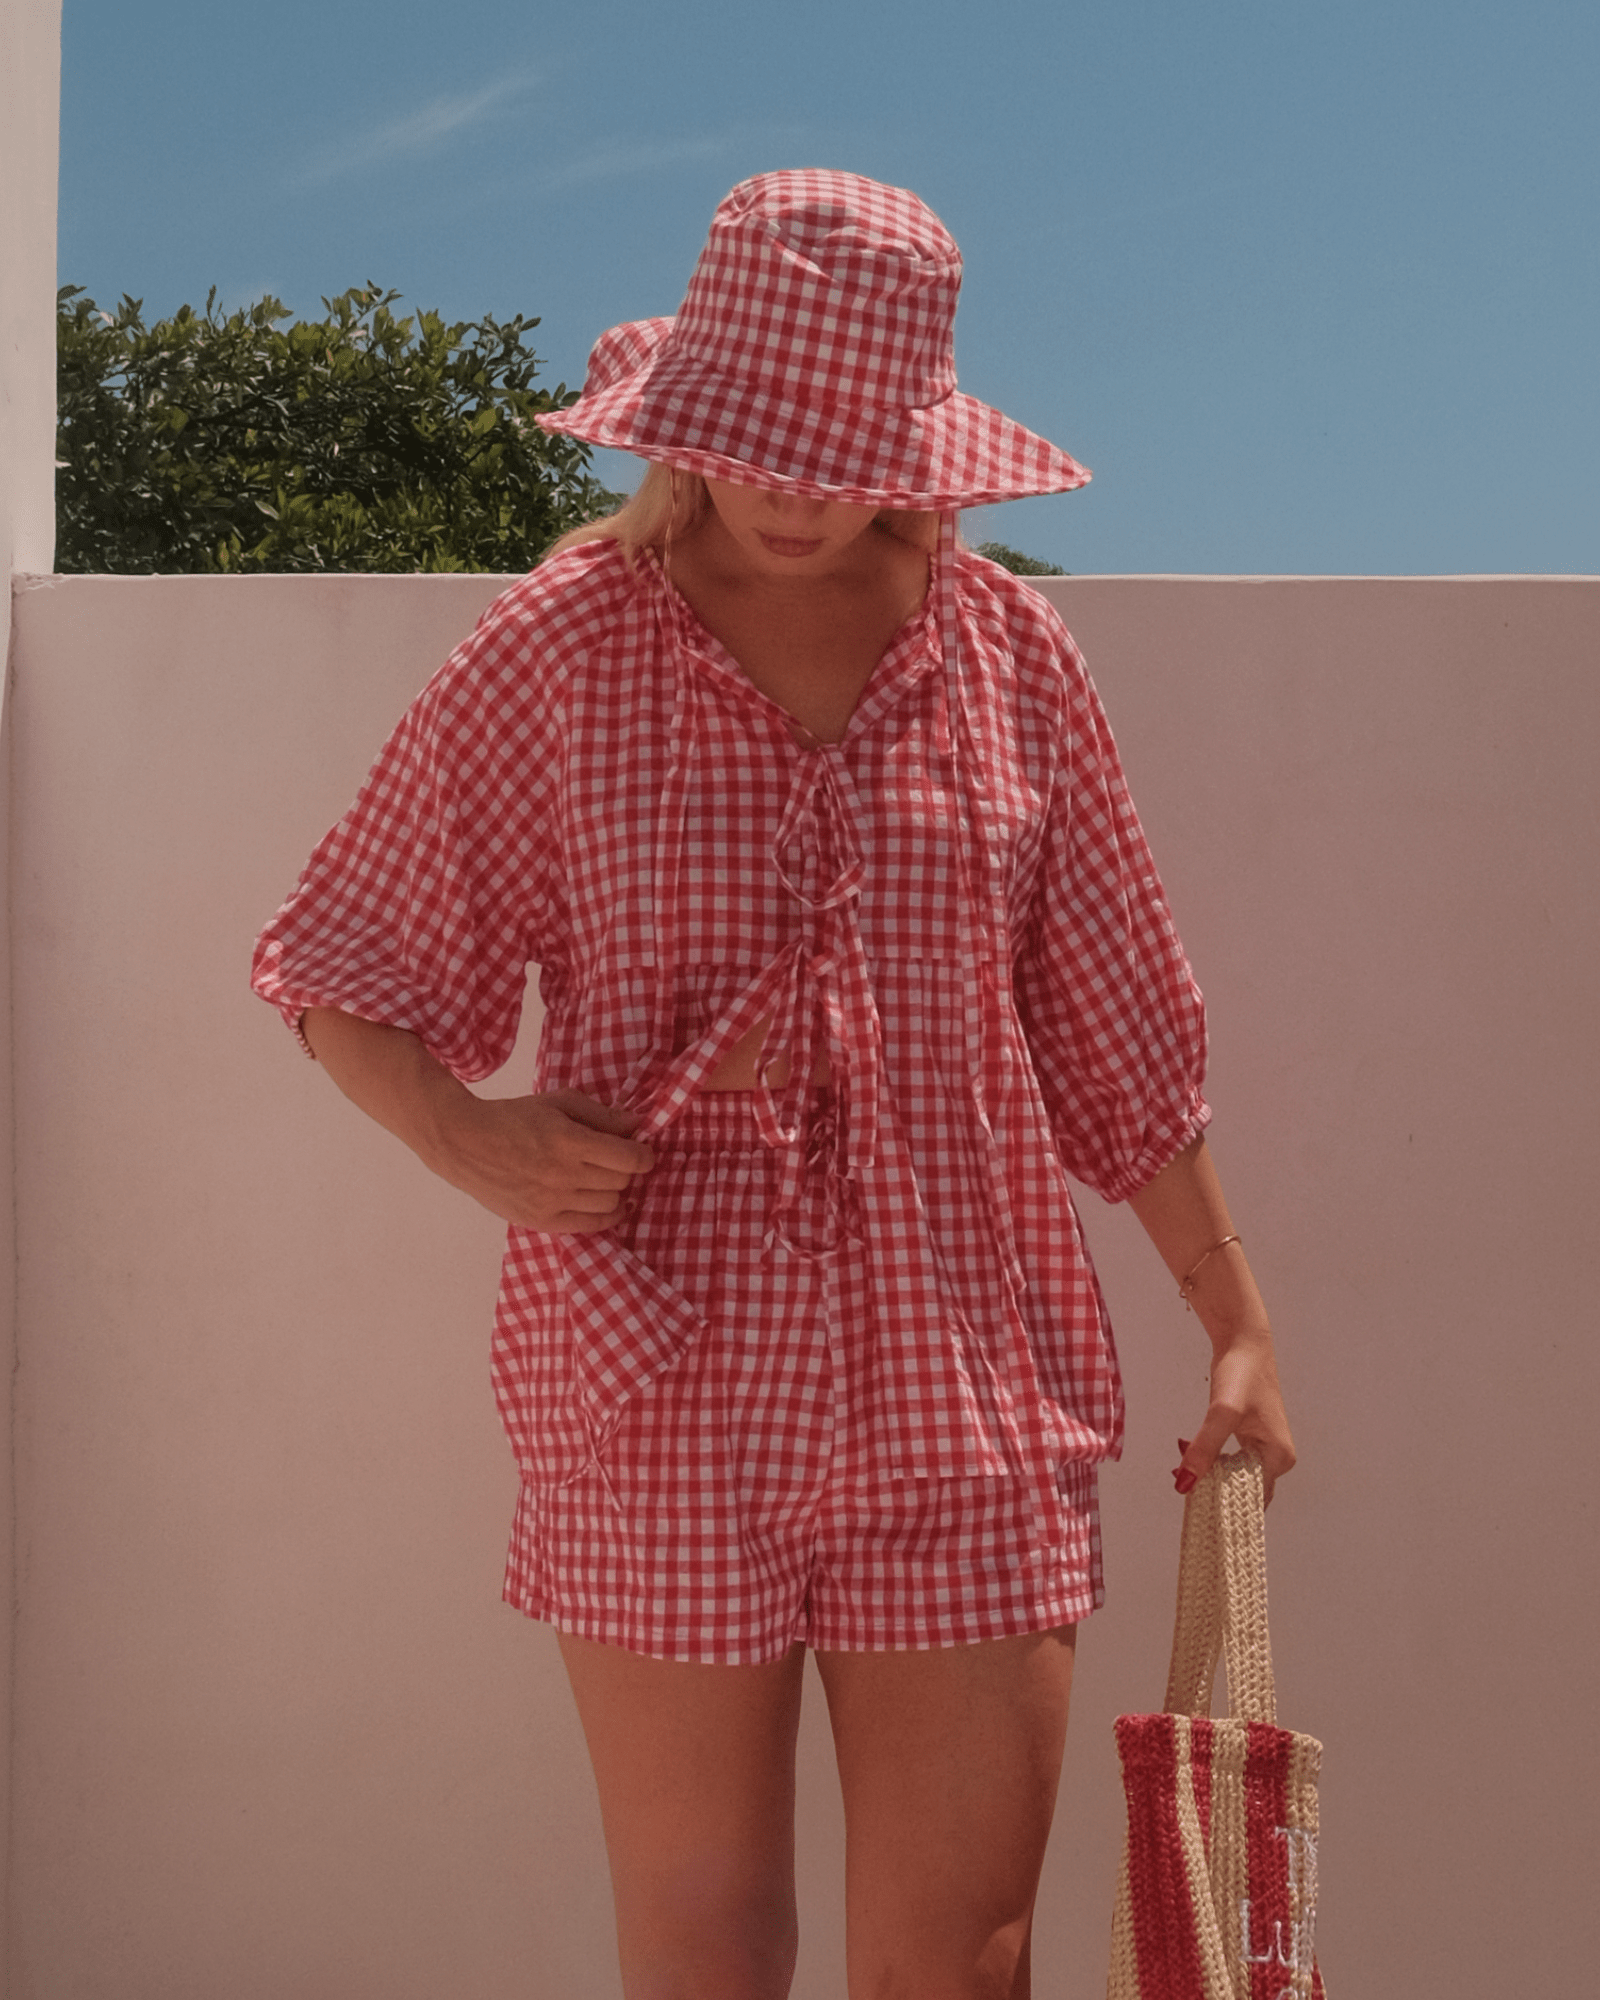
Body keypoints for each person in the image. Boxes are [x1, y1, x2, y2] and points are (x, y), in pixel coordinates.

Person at [252, 170, 1296, 2000]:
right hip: (654, 1385)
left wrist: (1236, 1318)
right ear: (691, 418)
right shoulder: (561, 650)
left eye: (839, 447)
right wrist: (473, 1139)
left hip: (963, 1387)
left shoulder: (1005, 660)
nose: (801, 491)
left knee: (960, 1963)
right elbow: (343, 963)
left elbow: (1118, 1026)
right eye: (759, 442)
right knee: (705, 1947)